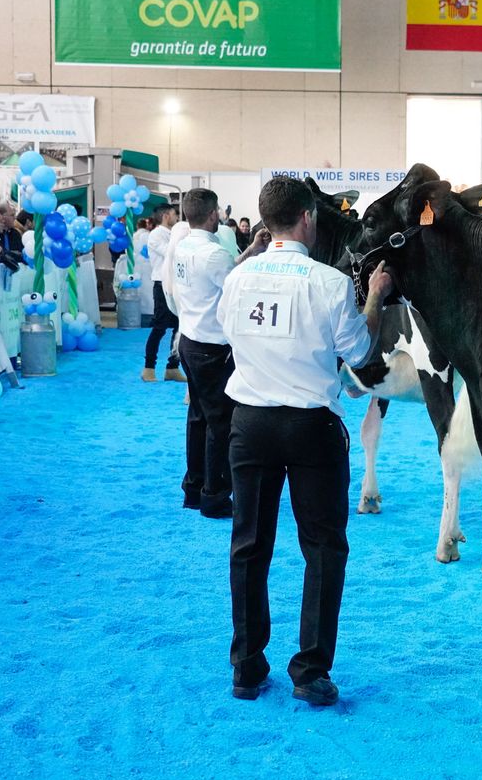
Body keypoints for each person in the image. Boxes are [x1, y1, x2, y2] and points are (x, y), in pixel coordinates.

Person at [218, 176, 392, 707]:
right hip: (311, 426)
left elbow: (230, 334)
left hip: (248, 421)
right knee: (323, 548)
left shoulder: (237, 279)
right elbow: (359, 355)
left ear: (265, 219)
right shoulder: (330, 283)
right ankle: (310, 671)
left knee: (249, 544)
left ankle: (247, 667)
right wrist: (377, 299)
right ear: (309, 217)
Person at [174, 188, 270, 520]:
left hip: (189, 341)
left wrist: (253, 251)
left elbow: (226, 276)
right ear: (214, 213)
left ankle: (194, 487)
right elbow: (236, 285)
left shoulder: (184, 247)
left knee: (198, 418)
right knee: (220, 423)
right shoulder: (213, 254)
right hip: (212, 348)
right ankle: (214, 496)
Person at [142, 203, 186, 383]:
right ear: (166, 216)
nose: (177, 218)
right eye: (175, 214)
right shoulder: (156, 235)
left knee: (179, 328)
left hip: (177, 285)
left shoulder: (172, 234)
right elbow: (170, 253)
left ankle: (172, 367)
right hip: (162, 285)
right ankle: (149, 368)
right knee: (159, 327)